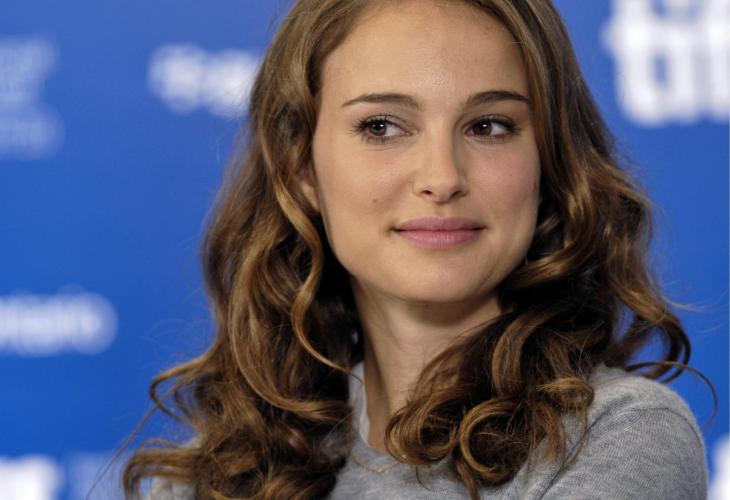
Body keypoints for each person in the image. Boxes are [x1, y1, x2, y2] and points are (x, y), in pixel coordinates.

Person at [123, 0, 714, 498]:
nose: (442, 177)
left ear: (548, 161)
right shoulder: (217, 475)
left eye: (489, 126)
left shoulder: (617, 434)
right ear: (301, 167)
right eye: (382, 126)